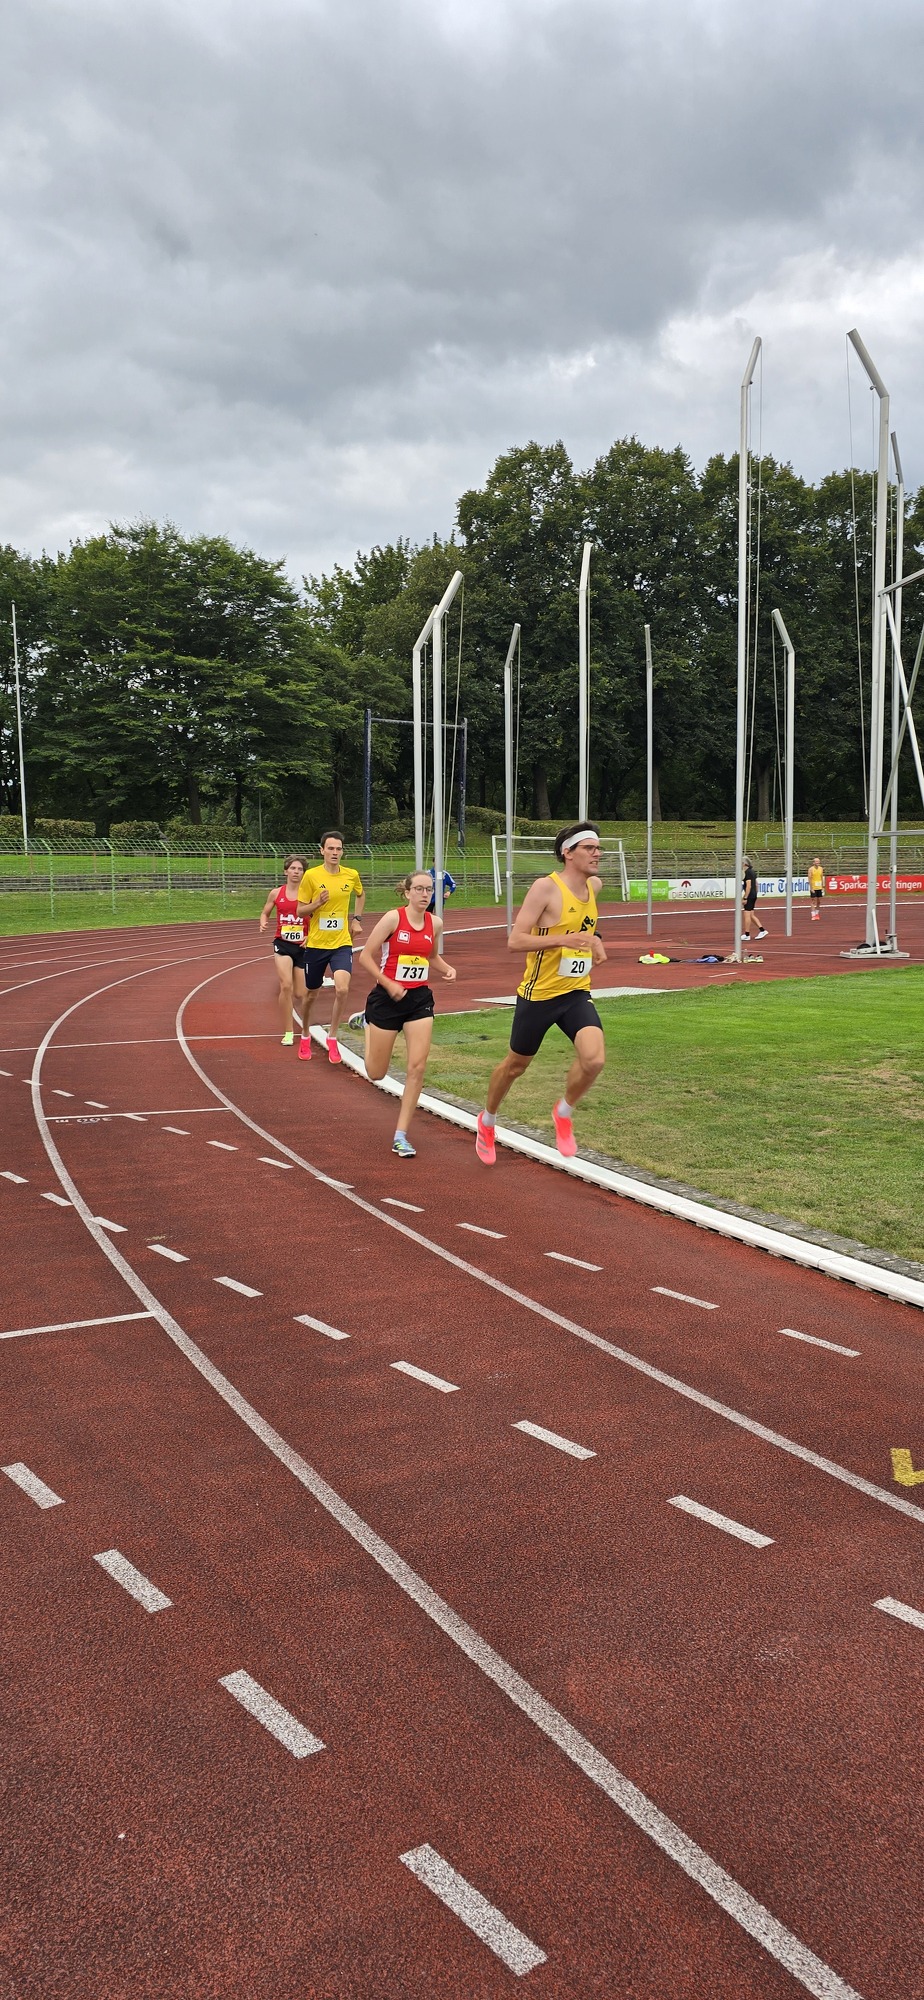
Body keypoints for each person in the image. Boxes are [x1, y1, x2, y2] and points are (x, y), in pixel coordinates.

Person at [475, 822, 607, 1165]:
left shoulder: (594, 886)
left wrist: (595, 941)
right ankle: (487, 1120)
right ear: (568, 853)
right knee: (515, 1066)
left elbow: (586, 927)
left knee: (594, 1059)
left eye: (598, 848)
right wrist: (565, 939)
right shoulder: (545, 888)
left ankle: (563, 1113)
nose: (597, 854)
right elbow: (515, 940)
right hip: (539, 995)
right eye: (589, 848)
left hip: (575, 992)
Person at [357, 870, 456, 1157]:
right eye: (420, 889)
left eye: (429, 890)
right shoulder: (393, 918)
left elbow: (431, 956)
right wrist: (388, 983)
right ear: (408, 892)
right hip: (386, 999)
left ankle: (401, 1135)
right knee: (376, 1073)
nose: (425, 894)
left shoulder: (435, 923)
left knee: (417, 1067)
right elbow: (364, 956)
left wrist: (447, 968)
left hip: (418, 1000)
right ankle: (367, 1021)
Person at [296, 831, 365, 1063]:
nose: (335, 853)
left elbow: (361, 894)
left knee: (342, 989)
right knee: (310, 995)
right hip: (316, 944)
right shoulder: (311, 876)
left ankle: (332, 1037)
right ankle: (305, 1034)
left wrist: (357, 919)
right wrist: (317, 903)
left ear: (342, 851)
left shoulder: (351, 875)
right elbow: (300, 911)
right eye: (331, 848)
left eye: (338, 849)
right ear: (322, 850)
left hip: (341, 943)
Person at [258, 854, 309, 1046]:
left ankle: (305, 1026)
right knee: (286, 985)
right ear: (285, 871)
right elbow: (265, 912)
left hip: (303, 947)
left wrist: (310, 936)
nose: (296, 872)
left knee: (301, 994)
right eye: (293, 868)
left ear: (304, 873)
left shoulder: (309, 894)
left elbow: (318, 917)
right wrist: (263, 922)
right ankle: (288, 1031)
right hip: (283, 944)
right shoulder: (276, 893)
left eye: (300, 869)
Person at [741, 855, 767, 945]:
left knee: (747, 915)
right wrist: (755, 893)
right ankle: (762, 930)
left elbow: (748, 886)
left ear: (744, 864)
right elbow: (756, 884)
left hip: (750, 895)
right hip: (753, 895)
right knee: (751, 915)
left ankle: (747, 934)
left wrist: (745, 897)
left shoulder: (747, 872)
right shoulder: (752, 871)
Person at [808, 855, 824, 921]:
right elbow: (809, 878)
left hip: (819, 887)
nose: (817, 862)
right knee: (813, 901)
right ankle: (813, 914)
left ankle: (817, 913)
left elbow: (821, 877)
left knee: (819, 901)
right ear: (813, 862)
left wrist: (822, 886)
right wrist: (811, 888)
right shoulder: (811, 869)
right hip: (814, 887)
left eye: (818, 861)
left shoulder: (821, 868)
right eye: (816, 861)